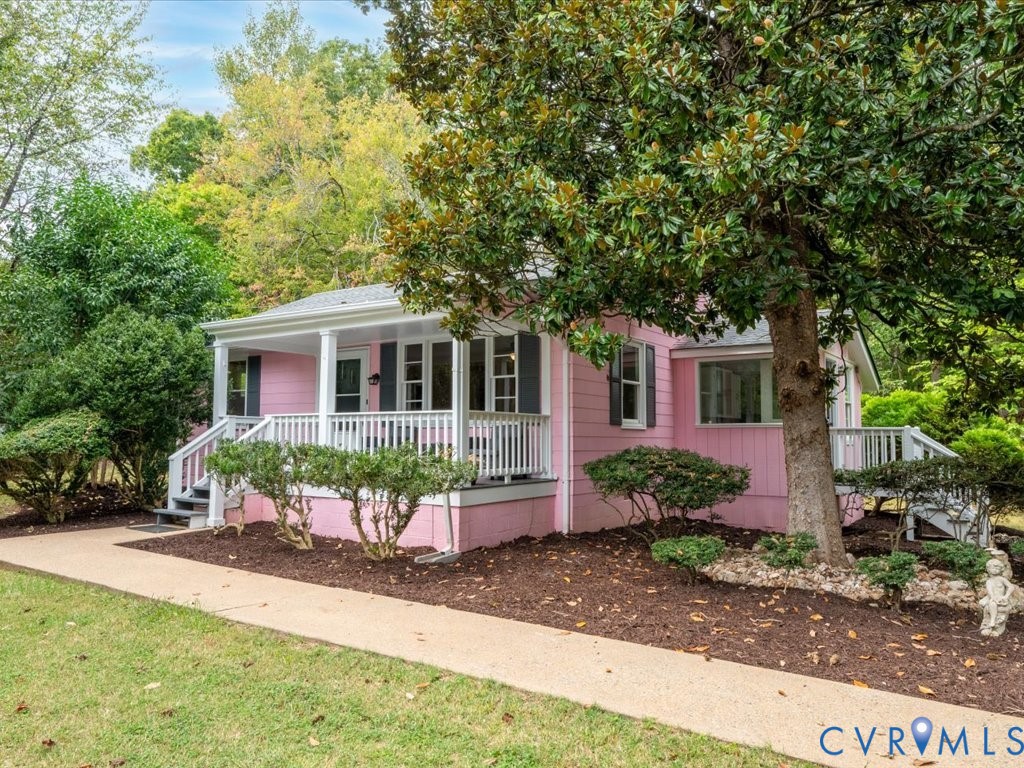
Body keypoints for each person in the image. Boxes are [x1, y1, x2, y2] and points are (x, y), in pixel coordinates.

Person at [980, 558, 1016, 637]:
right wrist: (993, 597)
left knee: (999, 606)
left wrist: (1006, 596)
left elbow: (1011, 587)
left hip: (1002, 598)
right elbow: (990, 592)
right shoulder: (989, 581)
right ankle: (990, 623)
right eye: (992, 568)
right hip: (992, 597)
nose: (995, 570)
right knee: (991, 603)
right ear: (988, 569)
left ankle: (998, 628)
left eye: (997, 568)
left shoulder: (1001, 579)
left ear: (1001, 569)